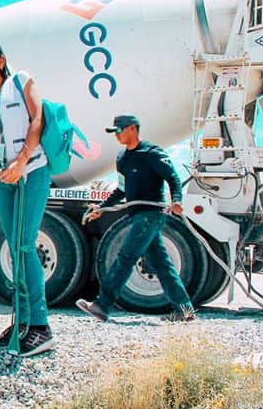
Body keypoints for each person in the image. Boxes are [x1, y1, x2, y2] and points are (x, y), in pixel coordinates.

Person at [0, 38, 55, 358]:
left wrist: (21, 161)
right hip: (2, 179)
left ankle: (41, 328)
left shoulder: (21, 81)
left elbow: (37, 120)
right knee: (13, 244)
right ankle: (22, 321)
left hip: (32, 171)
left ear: (1, 62)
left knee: (24, 244)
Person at [77, 115, 195, 322]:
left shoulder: (151, 154)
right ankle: (185, 311)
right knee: (162, 265)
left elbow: (173, 178)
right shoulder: (123, 158)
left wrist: (176, 200)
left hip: (151, 214)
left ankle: (102, 305)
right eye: (114, 131)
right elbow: (121, 190)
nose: (116, 135)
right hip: (137, 214)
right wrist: (102, 209)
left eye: (119, 130)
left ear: (132, 128)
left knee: (126, 257)